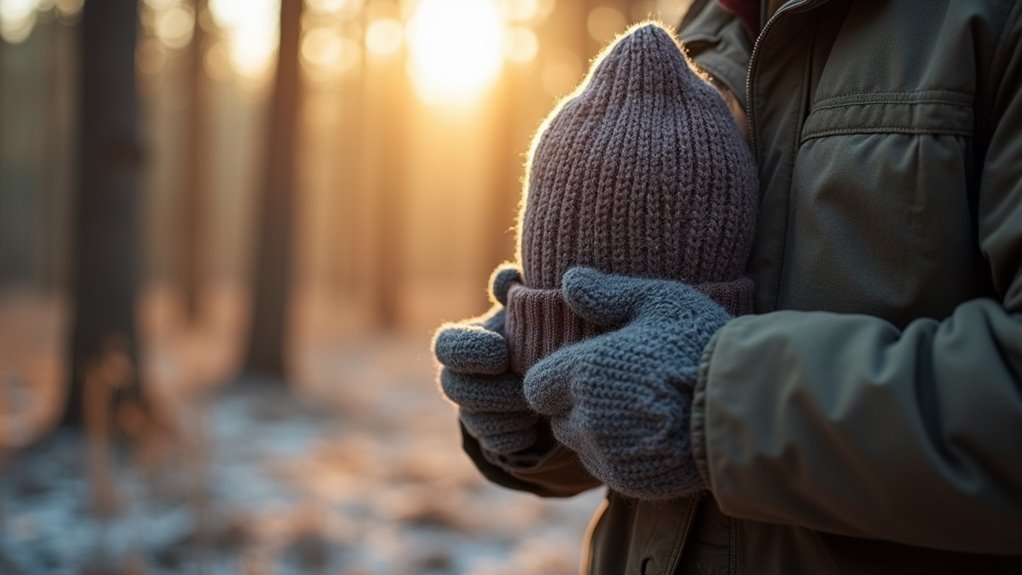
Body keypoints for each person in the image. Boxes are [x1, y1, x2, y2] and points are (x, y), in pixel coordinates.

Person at [435, 1, 1022, 573]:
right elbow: (646, 364)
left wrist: (714, 403)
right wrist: (542, 387)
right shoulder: (711, 28)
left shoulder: (989, 21)